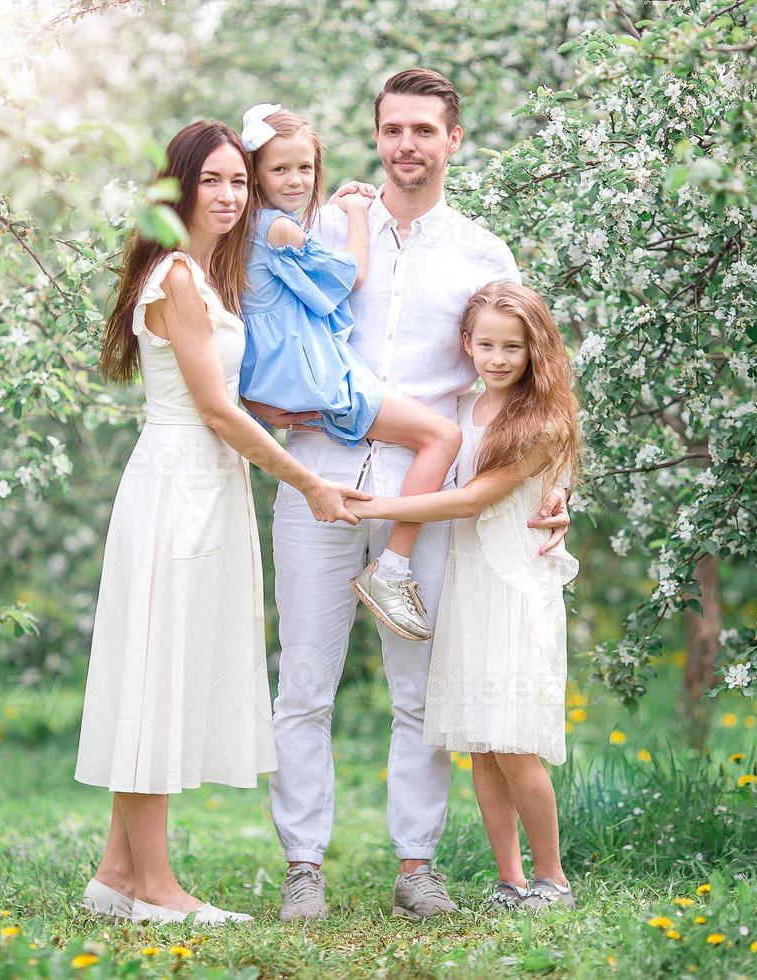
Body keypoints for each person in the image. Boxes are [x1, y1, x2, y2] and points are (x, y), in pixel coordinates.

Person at [244, 69, 571, 922]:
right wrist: (255, 405)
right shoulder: (312, 230)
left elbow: (534, 385)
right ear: (376, 136)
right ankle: (303, 866)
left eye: (425, 130)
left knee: (420, 692)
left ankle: (417, 865)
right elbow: (258, 332)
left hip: (424, 498)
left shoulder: (483, 254)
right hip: (316, 479)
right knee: (304, 684)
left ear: (453, 140)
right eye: (393, 130)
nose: (408, 146)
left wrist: (559, 483)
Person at [73, 121, 369, 927]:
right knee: (157, 674)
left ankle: (114, 874)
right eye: (214, 181)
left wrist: (279, 412)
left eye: (240, 181)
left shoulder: (206, 278)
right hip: (178, 483)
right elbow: (211, 408)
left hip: (206, 480)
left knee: (167, 663)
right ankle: (155, 889)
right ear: (178, 190)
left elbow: (228, 395)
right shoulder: (176, 275)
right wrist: (308, 480)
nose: (232, 196)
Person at [348, 281, 581, 913]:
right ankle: (508, 879)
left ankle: (552, 877)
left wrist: (380, 507)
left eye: (514, 347)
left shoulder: (541, 420)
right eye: (487, 345)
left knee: (514, 739)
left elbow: (476, 499)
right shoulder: (465, 408)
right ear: (467, 345)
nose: (499, 358)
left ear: (537, 350)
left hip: (512, 584)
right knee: (480, 740)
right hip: (466, 581)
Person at [237, 102, 461, 641]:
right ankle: (392, 569)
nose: (296, 180)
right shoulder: (284, 230)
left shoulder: (259, 228)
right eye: (280, 169)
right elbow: (349, 278)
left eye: (305, 168)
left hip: (294, 376)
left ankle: (391, 561)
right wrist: (359, 214)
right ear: (256, 174)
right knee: (442, 434)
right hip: (315, 374)